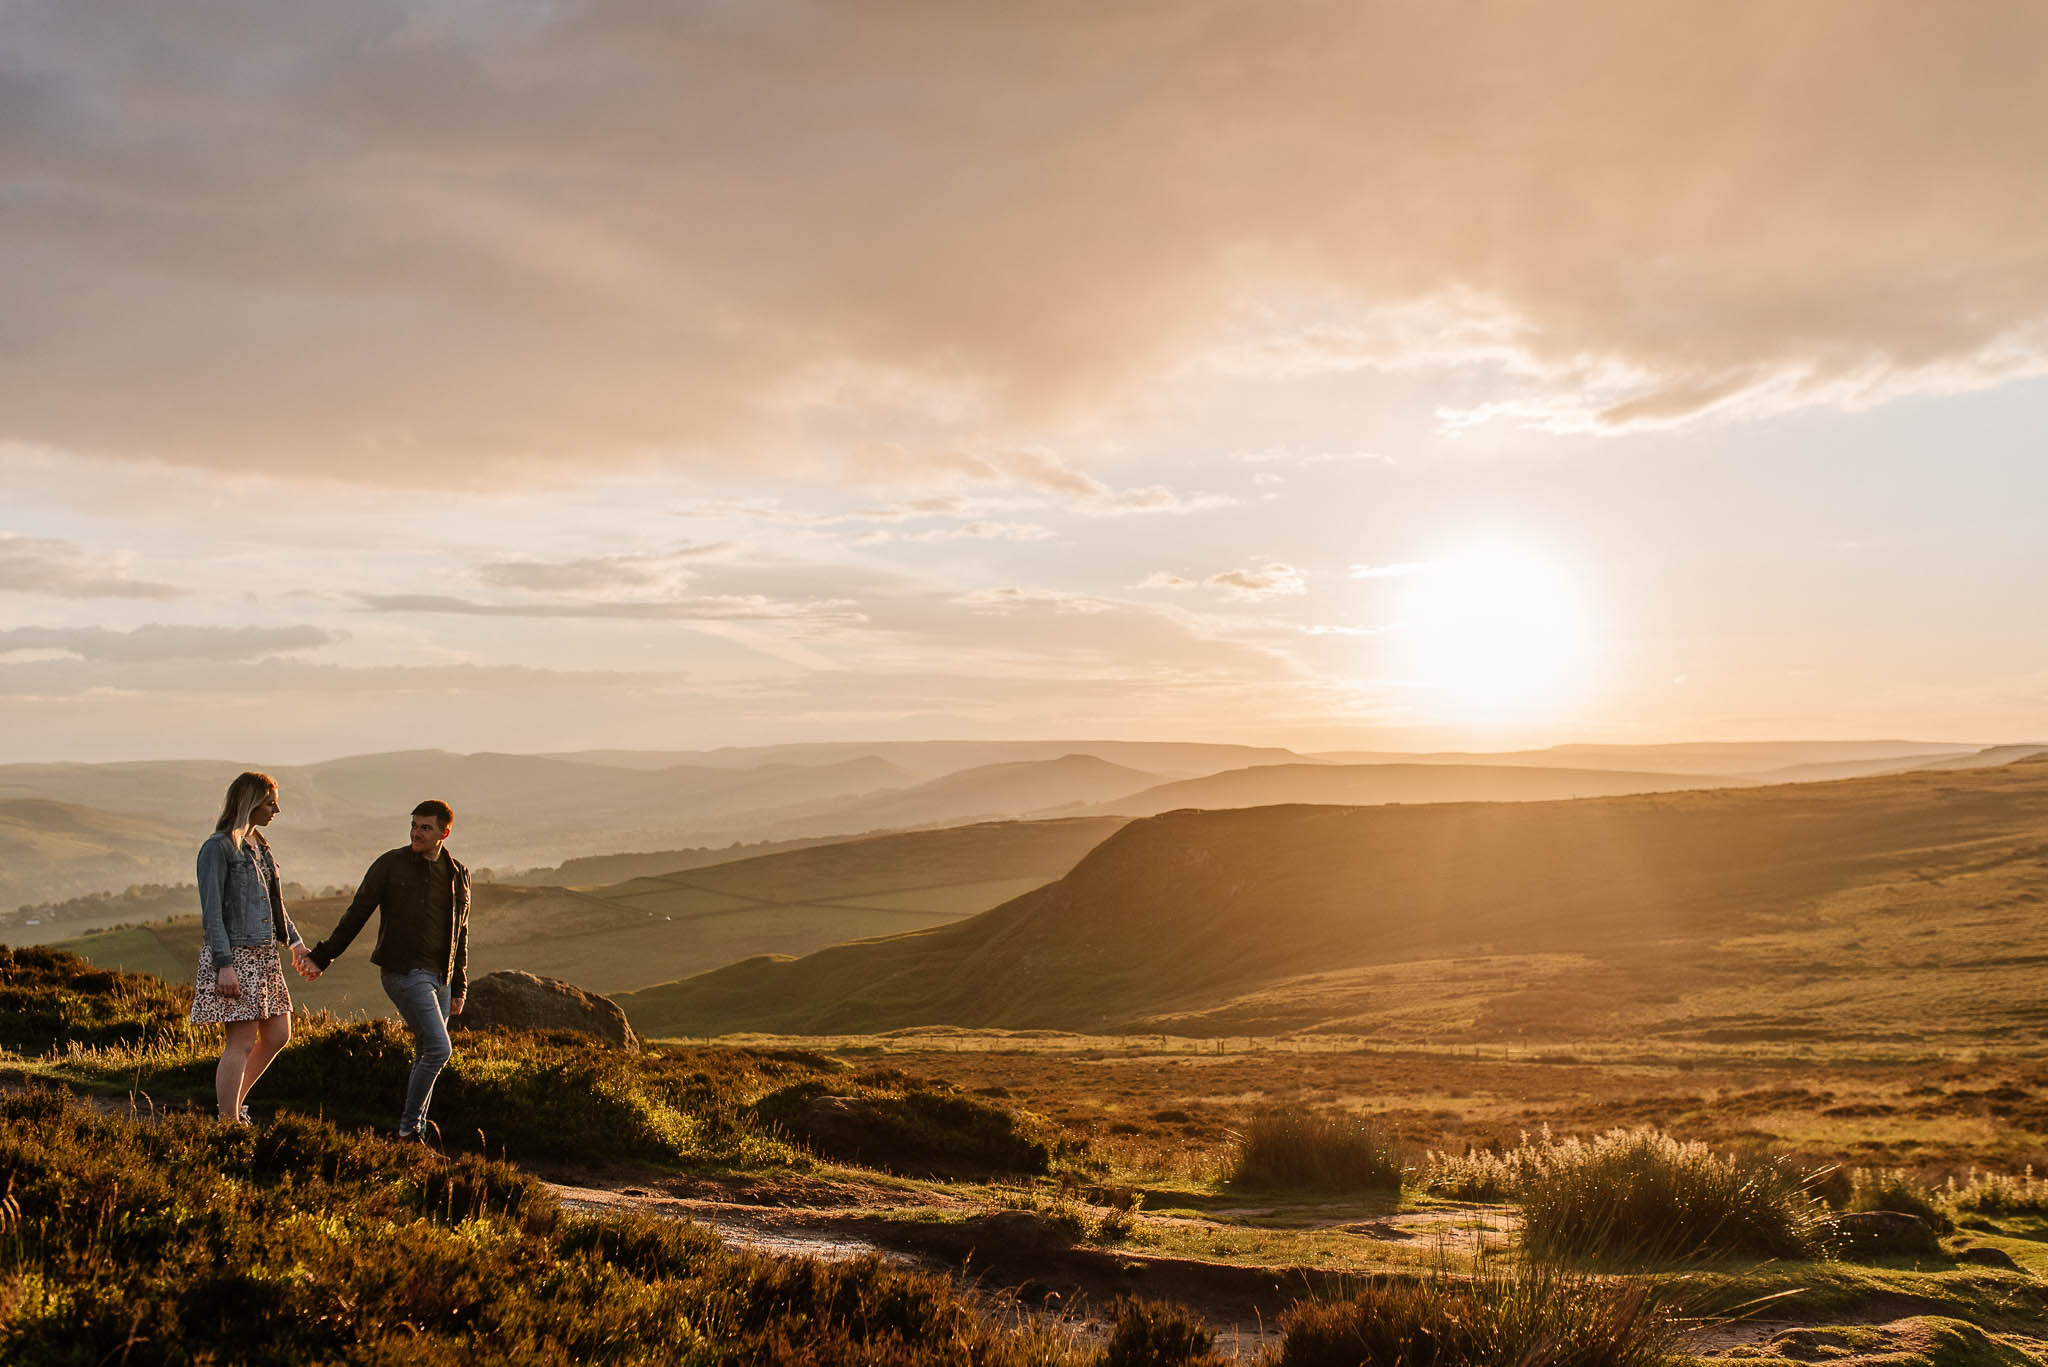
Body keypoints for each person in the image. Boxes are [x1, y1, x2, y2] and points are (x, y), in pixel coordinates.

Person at [299, 799, 470, 1142]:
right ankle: (409, 1131)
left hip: (442, 978)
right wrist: (322, 956)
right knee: (440, 1049)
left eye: (426, 827)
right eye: (414, 825)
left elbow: (461, 931)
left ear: (444, 833)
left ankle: (414, 1134)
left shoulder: (457, 874)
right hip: (404, 972)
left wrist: (459, 985)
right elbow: (357, 913)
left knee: (426, 1053)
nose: (416, 833)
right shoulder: (390, 865)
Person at [191, 770, 308, 1124]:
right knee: (240, 1042)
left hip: (265, 955)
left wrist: (296, 942)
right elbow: (212, 914)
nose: (277, 809)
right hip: (237, 956)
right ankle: (228, 1122)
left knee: (278, 1033)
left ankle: (232, 1105)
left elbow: (275, 905)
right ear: (251, 803)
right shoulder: (218, 848)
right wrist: (224, 965)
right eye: (271, 802)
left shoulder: (261, 846)